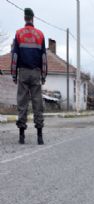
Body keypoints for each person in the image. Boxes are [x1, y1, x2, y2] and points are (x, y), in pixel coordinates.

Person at [11, 8, 47, 145]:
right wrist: (43, 75)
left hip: (23, 72)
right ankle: (39, 136)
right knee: (37, 102)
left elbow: (15, 56)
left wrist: (14, 74)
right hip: (36, 72)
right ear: (33, 18)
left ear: (24, 18)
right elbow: (44, 58)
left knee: (22, 102)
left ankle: (21, 136)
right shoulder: (40, 35)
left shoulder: (19, 34)